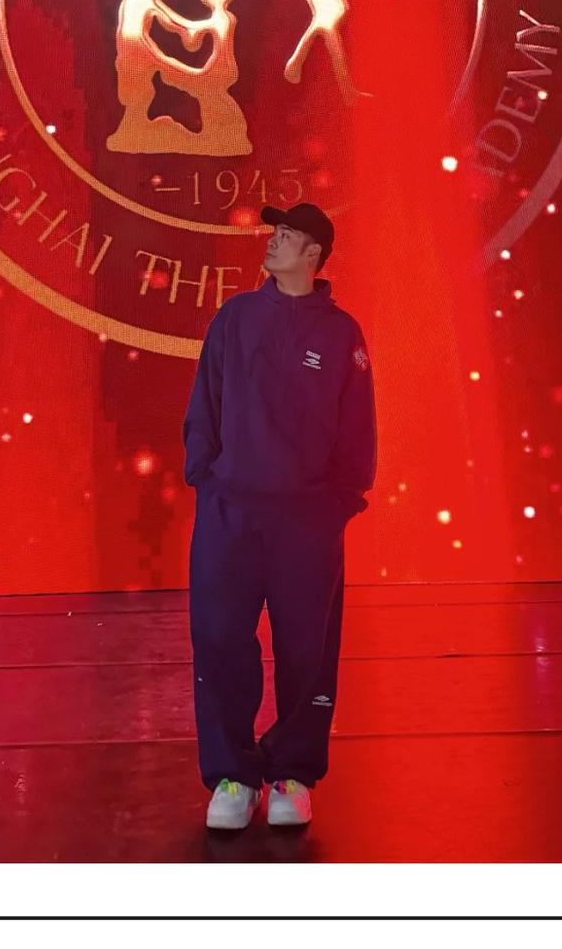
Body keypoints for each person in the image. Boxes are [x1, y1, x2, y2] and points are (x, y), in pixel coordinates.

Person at [182, 201, 377, 830]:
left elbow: (357, 427)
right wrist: (207, 477)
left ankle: (293, 772)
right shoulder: (235, 318)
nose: (273, 241)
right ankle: (233, 776)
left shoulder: (341, 334)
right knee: (219, 641)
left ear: (314, 253)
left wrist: (338, 503)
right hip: (230, 515)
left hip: (307, 524)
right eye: (275, 232)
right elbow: (205, 404)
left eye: (288, 235)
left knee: (307, 651)